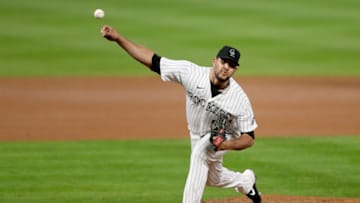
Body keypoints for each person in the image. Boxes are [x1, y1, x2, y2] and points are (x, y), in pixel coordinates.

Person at [101, 24, 262, 203]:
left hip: (223, 135)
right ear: (214, 61)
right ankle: (246, 181)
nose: (226, 67)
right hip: (195, 133)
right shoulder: (191, 73)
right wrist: (118, 39)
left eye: (231, 66)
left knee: (202, 151)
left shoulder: (239, 99)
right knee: (212, 178)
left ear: (235, 70)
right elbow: (153, 60)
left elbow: (249, 138)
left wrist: (225, 145)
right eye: (224, 62)